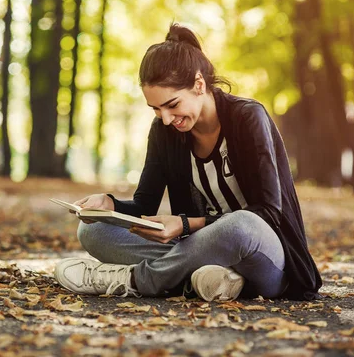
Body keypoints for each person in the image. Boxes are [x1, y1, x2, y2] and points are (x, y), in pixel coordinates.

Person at [54, 23, 322, 301]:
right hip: (195, 251)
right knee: (92, 230)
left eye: (172, 105)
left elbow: (269, 213)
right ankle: (210, 280)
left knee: (240, 224)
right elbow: (144, 205)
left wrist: (185, 225)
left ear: (199, 84)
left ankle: (137, 279)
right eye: (156, 109)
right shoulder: (164, 131)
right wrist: (109, 205)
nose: (166, 118)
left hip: (261, 254)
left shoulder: (248, 118)